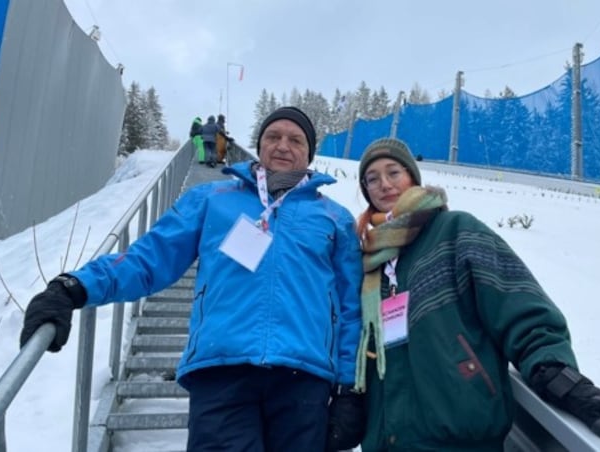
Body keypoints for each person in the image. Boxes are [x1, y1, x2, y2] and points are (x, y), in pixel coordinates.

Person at [20, 106, 365, 452]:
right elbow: (148, 258)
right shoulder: (212, 199)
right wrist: (75, 287)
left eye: (295, 140)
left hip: (303, 377)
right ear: (259, 146)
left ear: (310, 154)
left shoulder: (334, 218)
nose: (282, 146)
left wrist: (350, 388)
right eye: (273, 137)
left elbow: (350, 308)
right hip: (222, 372)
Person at [351, 137, 600, 451]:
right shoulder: (371, 261)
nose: (384, 184)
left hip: (461, 433)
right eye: (372, 179)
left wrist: (558, 377)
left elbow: (519, 304)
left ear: (412, 176)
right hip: (388, 440)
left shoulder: (455, 231)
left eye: (393, 172)